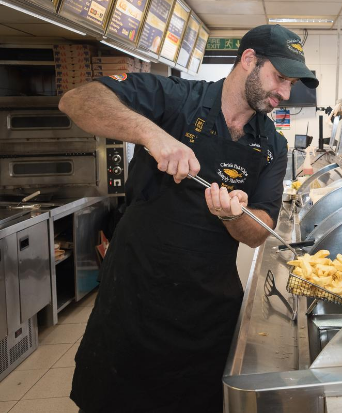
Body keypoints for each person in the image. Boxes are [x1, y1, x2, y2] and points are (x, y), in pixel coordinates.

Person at [58, 24, 318, 412]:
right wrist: (152, 135)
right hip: (136, 296)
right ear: (249, 60)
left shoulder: (272, 144)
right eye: (279, 77)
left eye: (291, 83)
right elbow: (78, 100)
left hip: (208, 310)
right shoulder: (177, 98)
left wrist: (232, 217)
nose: (284, 93)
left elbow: (257, 231)